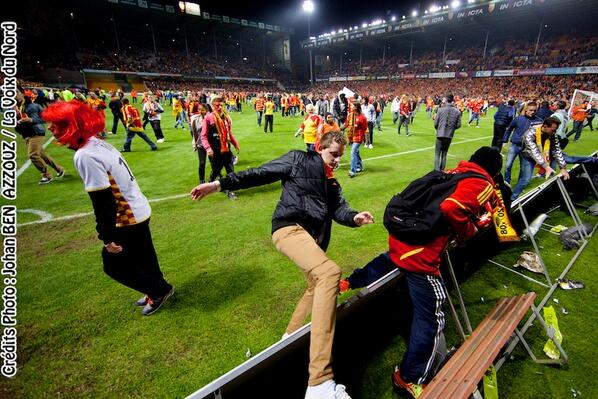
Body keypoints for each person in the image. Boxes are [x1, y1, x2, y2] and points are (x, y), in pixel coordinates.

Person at [190, 131, 374, 399]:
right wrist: (219, 184)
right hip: (288, 228)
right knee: (329, 273)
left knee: (317, 287)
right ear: (319, 148)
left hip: (310, 240)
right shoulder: (299, 159)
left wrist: (354, 217)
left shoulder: (332, 182)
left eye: (340, 157)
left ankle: (288, 339)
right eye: (333, 154)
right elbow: (259, 173)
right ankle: (319, 382)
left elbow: (340, 209)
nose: (336, 161)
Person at [339, 147, 504, 398]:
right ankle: (409, 377)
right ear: (494, 171)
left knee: (389, 260)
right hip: (421, 256)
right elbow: (452, 208)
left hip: (402, 241)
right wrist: (468, 232)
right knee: (432, 318)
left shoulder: (451, 172)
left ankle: (349, 282)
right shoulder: (483, 184)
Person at [42, 100, 174, 316]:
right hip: (138, 207)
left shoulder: (85, 155)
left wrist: (106, 236)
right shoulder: (97, 143)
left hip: (127, 216)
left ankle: (159, 291)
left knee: (114, 266)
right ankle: (158, 289)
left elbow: (102, 200)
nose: (50, 128)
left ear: (71, 126)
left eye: (55, 124)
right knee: (145, 256)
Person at [512, 116, 570, 200]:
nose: (555, 132)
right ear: (545, 126)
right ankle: (512, 198)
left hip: (542, 156)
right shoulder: (530, 133)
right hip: (528, 156)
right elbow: (533, 151)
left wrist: (563, 167)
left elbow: (556, 150)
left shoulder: (553, 134)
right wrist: (546, 166)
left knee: (568, 160)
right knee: (526, 179)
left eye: (556, 129)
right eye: (553, 129)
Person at [17, 91, 65, 184]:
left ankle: (46, 176)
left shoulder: (32, 106)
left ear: (22, 94)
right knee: (42, 155)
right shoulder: (18, 107)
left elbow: (44, 118)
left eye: (16, 92)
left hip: (36, 132)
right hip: (27, 134)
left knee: (33, 155)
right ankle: (59, 169)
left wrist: (31, 120)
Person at [200, 97, 240, 200]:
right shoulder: (208, 118)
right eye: (218, 105)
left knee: (230, 170)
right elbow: (203, 136)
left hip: (226, 149)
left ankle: (230, 191)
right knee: (216, 170)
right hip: (215, 150)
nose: (220, 107)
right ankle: (209, 183)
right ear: (213, 106)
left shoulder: (226, 118)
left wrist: (235, 143)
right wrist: (208, 148)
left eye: (222, 105)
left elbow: (229, 133)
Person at [502, 102, 542, 187]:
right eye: (531, 110)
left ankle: (519, 185)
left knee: (523, 168)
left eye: (535, 110)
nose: (532, 112)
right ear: (526, 110)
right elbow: (509, 129)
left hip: (527, 149)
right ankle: (507, 183)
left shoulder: (539, 121)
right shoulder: (518, 119)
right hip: (514, 146)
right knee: (508, 165)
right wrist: (505, 140)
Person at [434, 94, 462, 171]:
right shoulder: (457, 111)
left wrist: (438, 129)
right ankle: (442, 169)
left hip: (440, 134)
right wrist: (452, 129)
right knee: (444, 153)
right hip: (449, 135)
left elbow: (435, 124)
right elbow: (459, 125)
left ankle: (436, 171)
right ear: (453, 100)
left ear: (446, 99)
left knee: (437, 153)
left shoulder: (440, 110)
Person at [344, 101, 367, 178]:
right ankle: (359, 166)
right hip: (350, 136)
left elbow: (365, 128)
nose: (350, 107)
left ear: (356, 107)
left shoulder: (362, 117)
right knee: (356, 152)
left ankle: (352, 171)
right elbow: (346, 124)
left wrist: (366, 140)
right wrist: (337, 129)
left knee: (353, 152)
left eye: (351, 106)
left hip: (358, 137)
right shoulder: (350, 115)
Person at [191, 102, 210, 183]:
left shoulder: (210, 118)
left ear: (206, 110)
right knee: (202, 163)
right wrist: (194, 144)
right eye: (199, 109)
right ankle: (201, 180)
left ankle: (217, 175)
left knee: (214, 162)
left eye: (203, 110)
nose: (201, 111)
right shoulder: (195, 120)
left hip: (210, 145)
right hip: (200, 145)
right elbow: (194, 134)